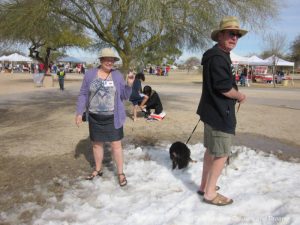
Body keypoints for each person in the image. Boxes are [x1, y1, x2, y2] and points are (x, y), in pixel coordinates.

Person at [196, 16, 247, 206]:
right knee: (221, 153)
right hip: (219, 113)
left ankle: (204, 186)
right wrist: (240, 96)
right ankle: (209, 193)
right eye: (230, 33)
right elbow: (223, 87)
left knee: (211, 150)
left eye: (237, 35)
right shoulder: (218, 57)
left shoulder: (216, 54)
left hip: (211, 112)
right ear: (220, 35)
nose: (234, 37)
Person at [75, 48, 134, 187]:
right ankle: (98, 169)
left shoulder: (117, 75)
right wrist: (79, 112)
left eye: (112, 59)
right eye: (106, 59)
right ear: (101, 60)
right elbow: (83, 94)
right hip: (95, 116)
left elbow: (125, 96)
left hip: (113, 117)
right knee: (96, 144)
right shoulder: (90, 74)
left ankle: (120, 173)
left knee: (116, 145)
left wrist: (129, 84)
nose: (109, 62)